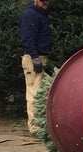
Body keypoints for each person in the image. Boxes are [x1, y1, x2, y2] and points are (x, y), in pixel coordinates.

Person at [19, 0, 52, 134]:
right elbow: (27, 38)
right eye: (43, 1)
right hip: (34, 58)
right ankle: (35, 127)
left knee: (41, 93)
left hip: (41, 57)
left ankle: (40, 125)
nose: (46, 3)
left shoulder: (41, 15)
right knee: (34, 93)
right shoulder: (30, 15)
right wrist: (35, 57)